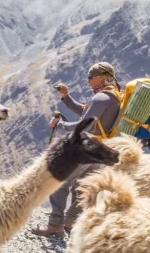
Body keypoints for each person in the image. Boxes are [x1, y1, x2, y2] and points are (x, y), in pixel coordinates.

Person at [31, 62, 122, 237]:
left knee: (60, 182)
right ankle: (71, 222)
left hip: (85, 148)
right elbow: (85, 112)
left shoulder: (100, 98)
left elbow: (84, 124)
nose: (88, 81)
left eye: (90, 77)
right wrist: (66, 97)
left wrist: (60, 124)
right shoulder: (114, 97)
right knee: (82, 187)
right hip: (99, 151)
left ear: (101, 77)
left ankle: (55, 225)